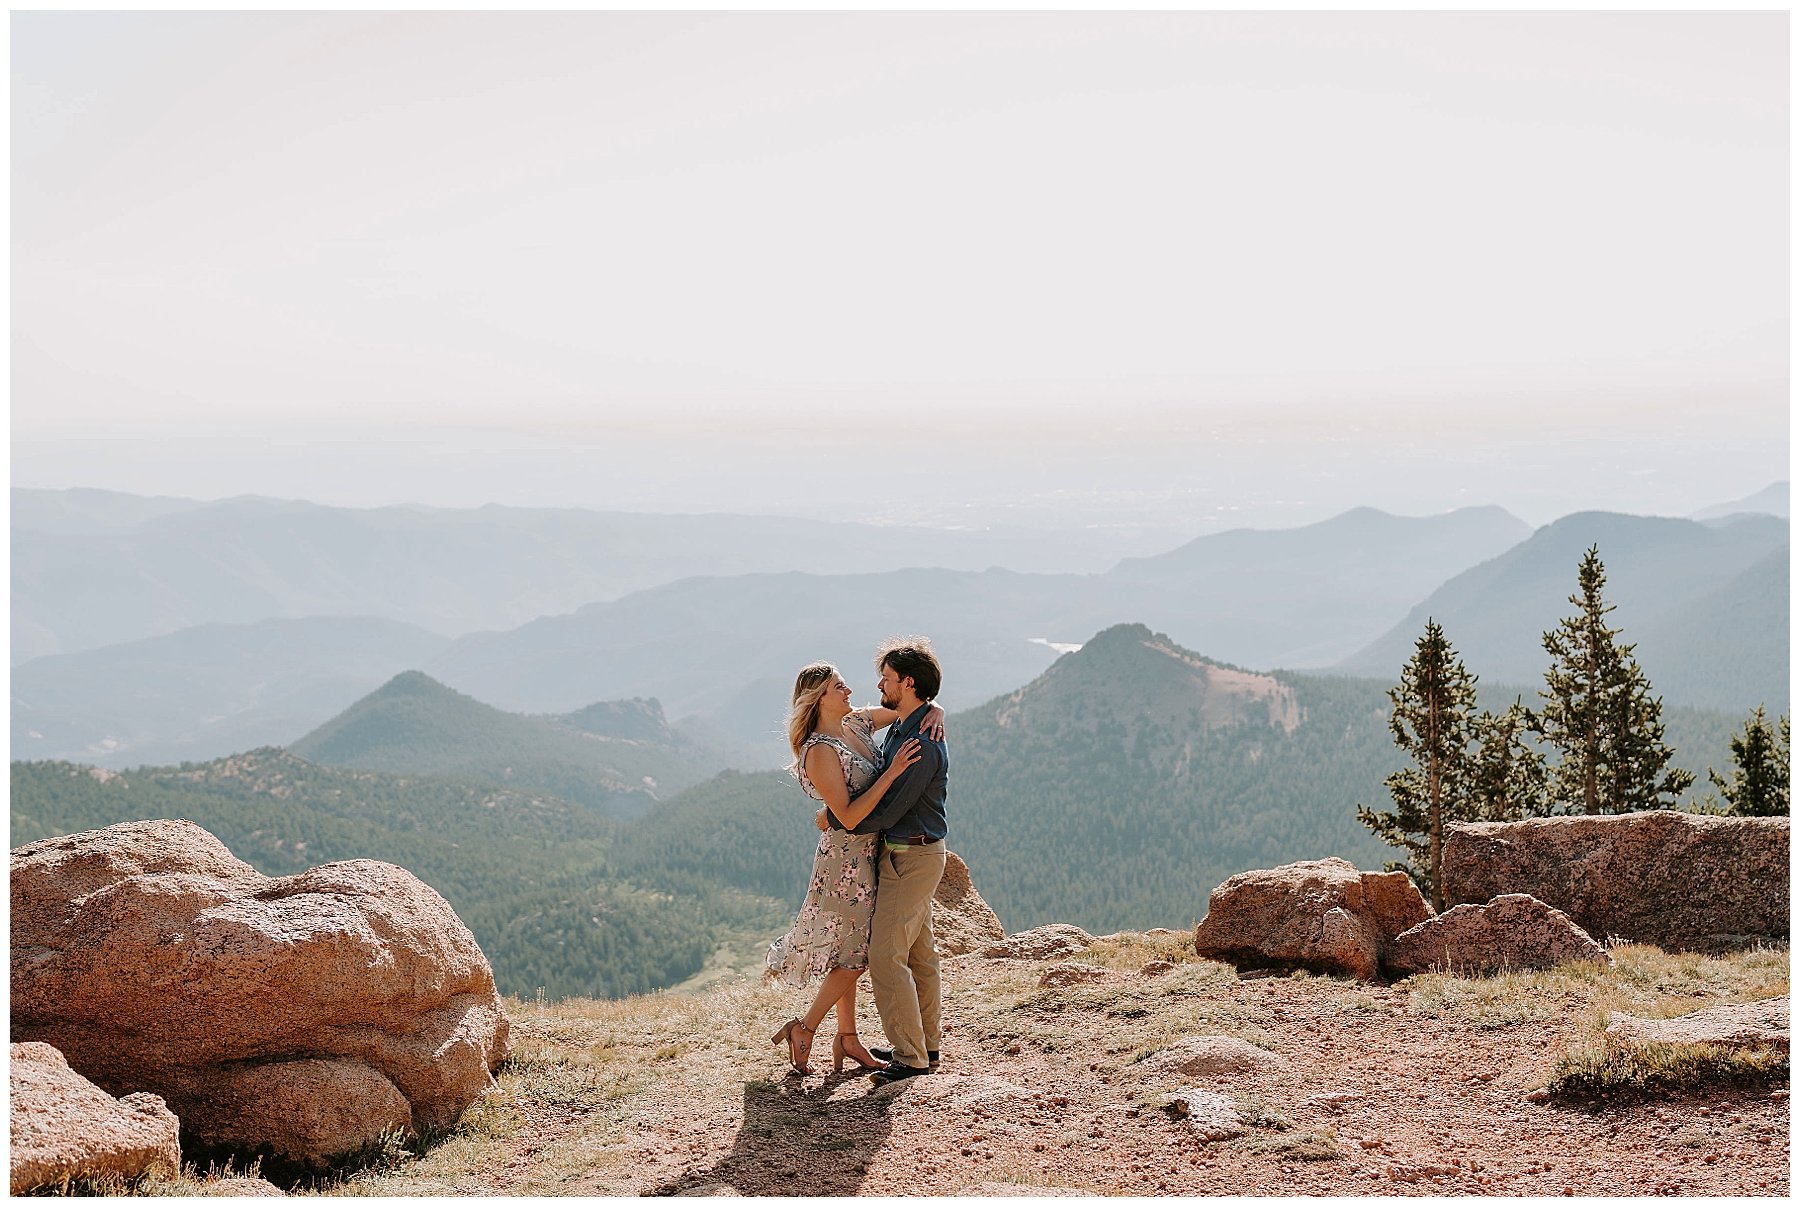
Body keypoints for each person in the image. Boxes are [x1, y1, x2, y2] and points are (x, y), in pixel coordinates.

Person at [766, 661, 943, 1075]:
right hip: (846, 860)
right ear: (819, 697)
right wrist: (893, 772)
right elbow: (845, 815)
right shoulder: (819, 750)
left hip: (873, 851)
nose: (850, 691)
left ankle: (847, 1038)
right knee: (858, 955)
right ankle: (806, 1027)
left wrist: (936, 710)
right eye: (839, 687)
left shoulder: (857, 722)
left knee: (851, 948)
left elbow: (908, 708)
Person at [851, 636, 950, 1087]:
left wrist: (837, 817)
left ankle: (910, 1057)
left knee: (886, 956)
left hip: (910, 854)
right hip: (915, 852)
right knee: (918, 954)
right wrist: (934, 707)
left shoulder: (920, 744)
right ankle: (924, 1043)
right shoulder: (911, 724)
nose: (879, 685)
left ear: (907, 683)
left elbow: (891, 809)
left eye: (887, 679)